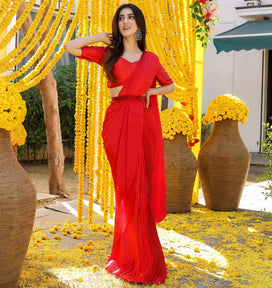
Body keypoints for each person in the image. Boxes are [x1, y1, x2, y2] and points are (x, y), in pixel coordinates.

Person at [64, 3, 175, 284]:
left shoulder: (151, 58)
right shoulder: (108, 55)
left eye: (131, 17)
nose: (126, 21)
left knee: (140, 189)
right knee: (126, 190)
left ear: (139, 24)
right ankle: (127, 255)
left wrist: (152, 89)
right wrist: (100, 36)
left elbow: (170, 85)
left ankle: (144, 258)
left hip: (142, 123)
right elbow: (71, 47)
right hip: (116, 124)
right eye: (121, 18)